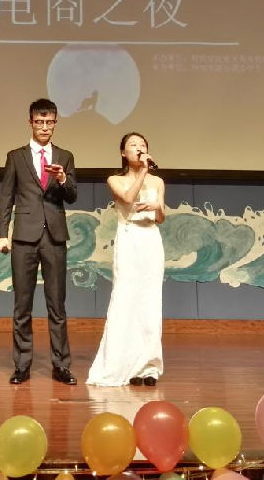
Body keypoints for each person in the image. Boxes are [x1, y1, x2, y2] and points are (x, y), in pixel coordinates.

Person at [0, 98, 78, 385]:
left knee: (57, 305)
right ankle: (22, 365)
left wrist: (63, 179)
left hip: (54, 236)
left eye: (49, 122)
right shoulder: (16, 157)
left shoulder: (65, 156)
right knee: (22, 305)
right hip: (24, 236)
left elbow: (72, 196)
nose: (44, 127)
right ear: (31, 122)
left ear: (55, 123)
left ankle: (61, 365)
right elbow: (6, 197)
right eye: (39, 122)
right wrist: (2, 234)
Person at [86, 132, 165, 387]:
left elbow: (161, 217)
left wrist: (157, 207)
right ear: (123, 153)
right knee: (126, 299)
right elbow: (128, 198)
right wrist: (143, 172)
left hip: (151, 240)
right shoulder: (115, 179)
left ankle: (149, 366)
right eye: (133, 145)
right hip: (130, 238)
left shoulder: (157, 181)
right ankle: (123, 364)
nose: (139, 148)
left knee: (150, 302)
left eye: (143, 145)